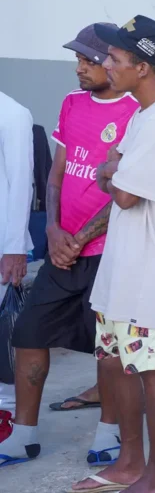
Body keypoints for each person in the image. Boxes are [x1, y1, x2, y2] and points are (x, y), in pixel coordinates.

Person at [0, 26, 139, 469]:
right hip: (63, 249)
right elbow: (57, 175)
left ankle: (108, 433)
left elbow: (131, 190)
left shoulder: (138, 111)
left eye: (87, 60)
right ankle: (23, 435)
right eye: (76, 59)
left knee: (107, 347)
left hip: (109, 252)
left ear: (111, 62)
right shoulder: (72, 103)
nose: (79, 68)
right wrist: (53, 230)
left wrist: (79, 239)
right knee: (28, 334)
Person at [71, 15, 155, 493]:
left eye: (116, 58)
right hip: (123, 267)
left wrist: (112, 173)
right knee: (115, 363)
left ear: (142, 67)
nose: (107, 64)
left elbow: (123, 192)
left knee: (152, 370)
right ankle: (128, 463)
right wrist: (114, 171)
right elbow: (114, 170)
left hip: (150, 275)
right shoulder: (144, 114)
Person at [0, 89, 34, 453]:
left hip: (2, 244)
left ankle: (6, 411)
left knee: (4, 332)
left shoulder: (11, 113)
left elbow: (21, 182)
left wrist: (14, 248)